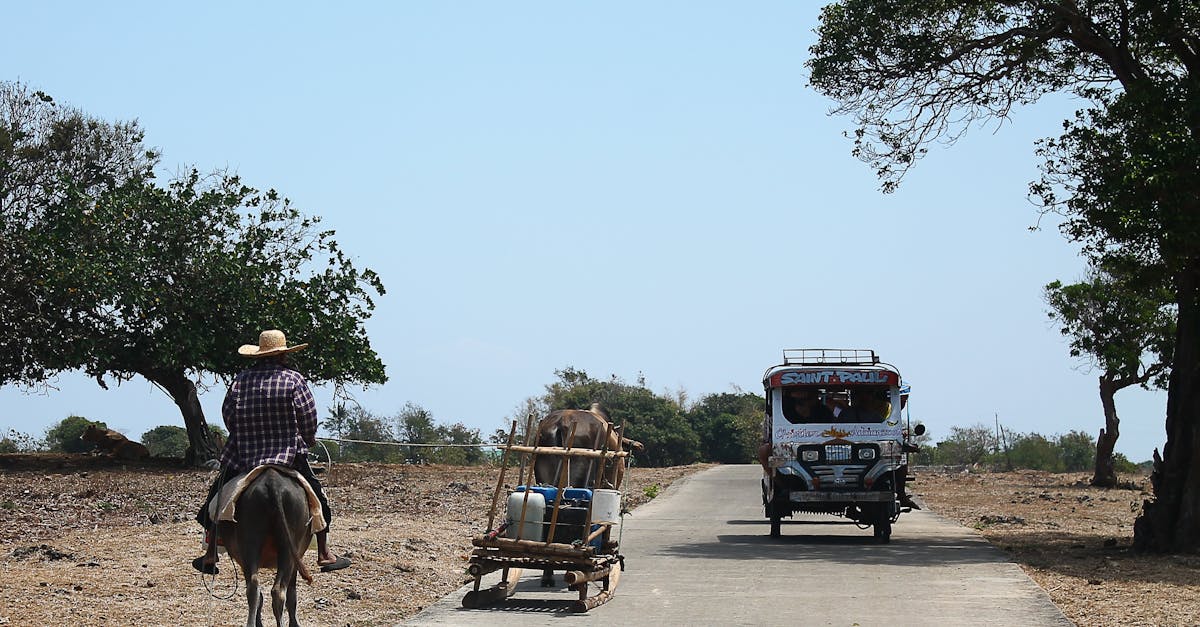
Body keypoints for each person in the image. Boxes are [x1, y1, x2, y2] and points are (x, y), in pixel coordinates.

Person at [192, 329, 351, 574]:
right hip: (287, 457)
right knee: (317, 497)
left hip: (245, 458)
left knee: (216, 495)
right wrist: (307, 439)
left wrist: (244, 434)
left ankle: (211, 550)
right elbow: (308, 416)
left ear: (259, 355)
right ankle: (324, 553)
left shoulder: (240, 380)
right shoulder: (294, 380)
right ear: (282, 355)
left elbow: (229, 416)